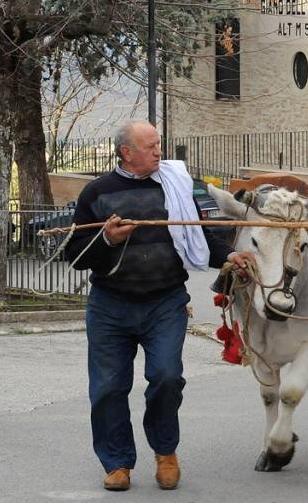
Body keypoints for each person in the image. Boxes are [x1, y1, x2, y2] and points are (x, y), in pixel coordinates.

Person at [65, 121, 253, 492]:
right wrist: (106, 239)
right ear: (126, 153)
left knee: (167, 377)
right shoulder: (97, 193)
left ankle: (165, 451)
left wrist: (230, 254)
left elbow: (201, 235)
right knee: (107, 387)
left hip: (165, 301)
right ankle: (117, 463)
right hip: (110, 305)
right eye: (149, 146)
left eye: (159, 144)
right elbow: (75, 255)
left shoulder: (176, 186)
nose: (158, 151)